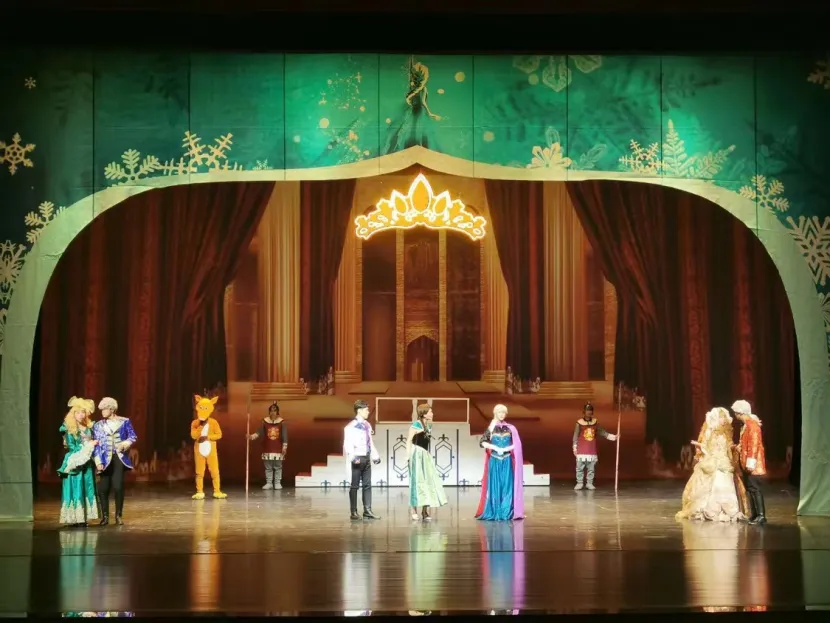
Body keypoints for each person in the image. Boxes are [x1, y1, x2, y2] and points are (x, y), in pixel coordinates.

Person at [676, 407, 749, 522]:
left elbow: (729, 446)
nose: (724, 420)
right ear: (716, 418)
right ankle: (711, 510)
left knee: (726, 485)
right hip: (712, 461)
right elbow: (706, 446)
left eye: (724, 417)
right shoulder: (709, 431)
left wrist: (735, 448)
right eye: (721, 417)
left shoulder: (726, 433)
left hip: (724, 462)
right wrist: (699, 445)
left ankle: (729, 510)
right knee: (714, 486)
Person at [475, 404, 525, 521]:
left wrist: (507, 448)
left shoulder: (510, 428)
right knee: (495, 486)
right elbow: (482, 442)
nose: (501, 414)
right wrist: (495, 447)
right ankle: (495, 510)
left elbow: (517, 444)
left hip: (507, 460)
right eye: (499, 412)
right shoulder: (492, 427)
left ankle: (506, 511)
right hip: (495, 460)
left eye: (503, 412)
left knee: (507, 486)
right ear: (495, 413)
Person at [92, 397, 137, 526]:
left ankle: (118, 515)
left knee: (118, 486)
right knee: (103, 488)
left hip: (119, 457)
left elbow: (133, 436)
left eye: (105, 409)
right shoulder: (98, 425)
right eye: (101, 410)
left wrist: (125, 443)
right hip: (104, 459)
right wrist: (98, 461)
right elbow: (97, 445)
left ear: (112, 409)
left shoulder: (124, 421)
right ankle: (105, 517)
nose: (102, 412)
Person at [57, 397, 100, 527]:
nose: (81, 415)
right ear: (73, 414)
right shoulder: (69, 429)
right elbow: (72, 447)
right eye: (78, 412)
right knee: (75, 488)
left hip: (86, 464)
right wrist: (89, 445)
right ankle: (73, 518)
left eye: (83, 412)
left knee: (86, 487)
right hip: (75, 462)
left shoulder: (88, 428)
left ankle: (83, 518)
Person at [406, 403, 448, 522]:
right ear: (424, 414)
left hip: (425, 455)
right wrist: (408, 456)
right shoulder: (416, 425)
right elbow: (408, 441)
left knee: (428, 482)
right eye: (430, 411)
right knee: (416, 482)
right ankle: (413, 510)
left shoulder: (428, 425)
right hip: (416, 454)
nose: (432, 413)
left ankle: (425, 511)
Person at [343, 400, 381, 521]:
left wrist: (375, 456)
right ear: (359, 411)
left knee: (367, 485)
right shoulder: (350, 427)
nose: (368, 412)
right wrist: (353, 458)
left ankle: (367, 510)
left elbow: (370, 442)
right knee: (354, 486)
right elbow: (347, 444)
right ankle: (353, 512)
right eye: (366, 410)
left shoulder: (367, 425)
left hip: (366, 457)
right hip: (357, 458)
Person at [732, 399, 767, 525]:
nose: (735, 415)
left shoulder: (752, 425)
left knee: (755, 489)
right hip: (746, 463)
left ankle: (761, 516)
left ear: (740, 412)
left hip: (753, 464)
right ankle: (754, 514)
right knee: (750, 489)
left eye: (736, 412)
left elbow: (754, 444)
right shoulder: (746, 425)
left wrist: (750, 463)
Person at [572, 402, 617, 490]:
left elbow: (602, 432)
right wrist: (574, 447)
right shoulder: (579, 423)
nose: (589, 412)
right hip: (581, 448)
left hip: (591, 449)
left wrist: (613, 437)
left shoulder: (595, 422)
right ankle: (579, 482)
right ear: (584, 412)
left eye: (590, 410)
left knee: (591, 468)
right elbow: (575, 435)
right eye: (587, 410)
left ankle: (589, 483)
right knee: (579, 467)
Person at [190, 394, 227, 500]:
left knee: (214, 471)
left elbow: (219, 434)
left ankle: (217, 491)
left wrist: (208, 437)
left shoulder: (213, 422)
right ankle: (199, 491)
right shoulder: (195, 423)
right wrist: (200, 428)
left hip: (211, 449)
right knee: (199, 472)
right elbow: (193, 436)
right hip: (199, 449)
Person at [247, 402, 288, 490]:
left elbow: (284, 435)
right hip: (268, 447)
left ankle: (277, 483)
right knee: (268, 467)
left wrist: (284, 446)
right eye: (271, 411)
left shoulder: (281, 423)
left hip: (278, 448)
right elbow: (259, 432)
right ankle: (269, 483)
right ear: (269, 412)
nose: (273, 412)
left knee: (278, 466)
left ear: (277, 412)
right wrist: (251, 436)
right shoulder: (265, 422)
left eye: (275, 411)